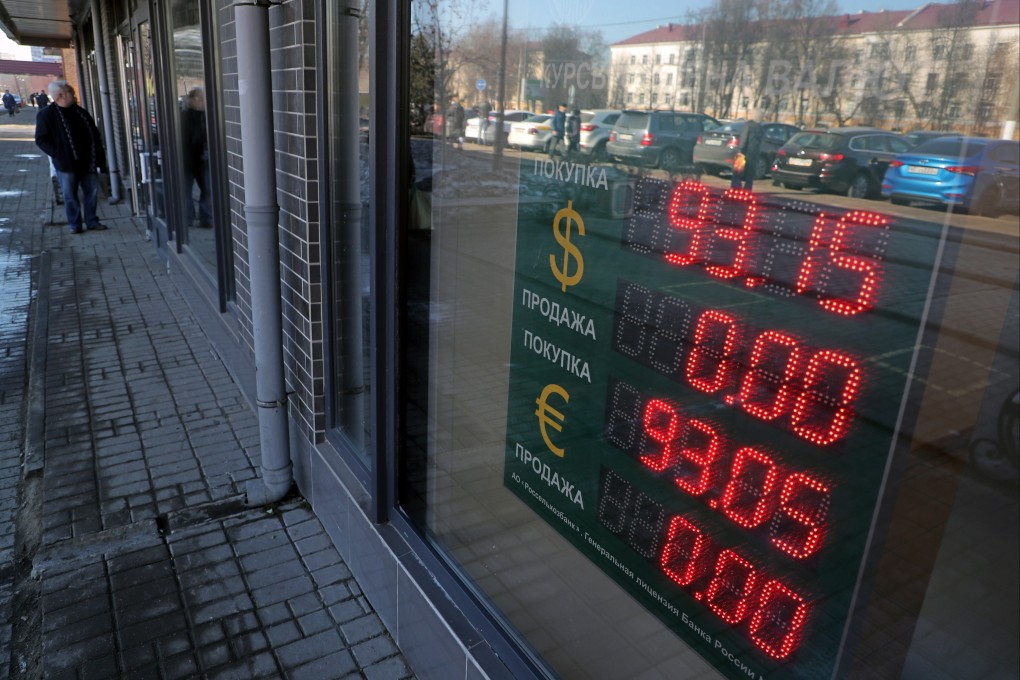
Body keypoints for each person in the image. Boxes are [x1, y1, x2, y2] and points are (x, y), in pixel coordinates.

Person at [35, 80, 109, 234]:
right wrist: (58, 153)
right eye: (70, 91)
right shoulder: (46, 115)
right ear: (60, 95)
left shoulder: (80, 112)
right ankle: (74, 224)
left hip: (88, 161)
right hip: (66, 164)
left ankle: (92, 221)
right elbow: (41, 139)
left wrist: (100, 161)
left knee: (91, 193)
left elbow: (95, 135)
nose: (74, 94)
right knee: (70, 195)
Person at [180, 87, 214, 228]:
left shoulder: (206, 116)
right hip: (189, 160)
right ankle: (188, 218)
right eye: (199, 98)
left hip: (201, 160)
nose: (202, 102)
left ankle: (205, 218)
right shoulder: (185, 116)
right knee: (187, 191)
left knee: (207, 189)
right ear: (193, 100)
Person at [731, 109, 763, 191]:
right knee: (750, 174)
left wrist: (739, 150)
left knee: (737, 172)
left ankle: (736, 188)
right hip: (754, 153)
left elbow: (743, 139)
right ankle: (747, 190)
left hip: (744, 152)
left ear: (752, 116)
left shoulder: (748, 125)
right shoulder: (760, 127)